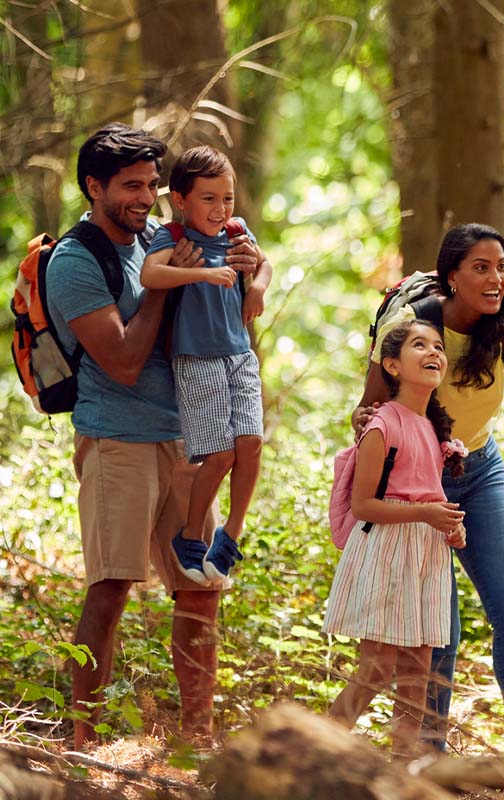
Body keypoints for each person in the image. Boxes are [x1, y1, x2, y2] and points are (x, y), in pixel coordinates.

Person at [44, 124, 260, 747]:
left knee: (202, 587)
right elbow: (123, 360)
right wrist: (172, 285)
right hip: (118, 440)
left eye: (151, 185)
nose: (145, 197)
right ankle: (85, 744)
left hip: (187, 437)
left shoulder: (160, 239)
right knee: (111, 588)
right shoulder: (75, 262)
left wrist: (244, 275)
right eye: (130, 186)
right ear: (94, 187)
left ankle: (197, 739)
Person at [352, 223, 504, 764]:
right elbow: (369, 411)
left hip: (481, 468)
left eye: (502, 267)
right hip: (419, 481)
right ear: (452, 276)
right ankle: (430, 753)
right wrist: (368, 426)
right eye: (481, 268)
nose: (496, 278)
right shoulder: (411, 327)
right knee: (439, 625)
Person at [324, 320, 468, 758]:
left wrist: (451, 526)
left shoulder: (432, 428)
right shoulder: (383, 424)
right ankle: (314, 754)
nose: (433, 352)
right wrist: (424, 513)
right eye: (419, 345)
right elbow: (364, 505)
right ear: (392, 365)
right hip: (387, 551)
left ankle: (402, 770)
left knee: (415, 675)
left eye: (438, 346)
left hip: (426, 554)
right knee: (375, 669)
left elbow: (428, 494)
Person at [139, 145, 272, 589]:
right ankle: (191, 533)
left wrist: (258, 288)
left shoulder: (236, 231)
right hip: (197, 358)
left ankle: (230, 533)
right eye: (209, 199)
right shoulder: (172, 236)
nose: (221, 209)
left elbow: (265, 264)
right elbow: (150, 275)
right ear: (180, 199)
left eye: (227, 198)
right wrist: (201, 274)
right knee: (220, 454)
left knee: (251, 443)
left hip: (239, 354)